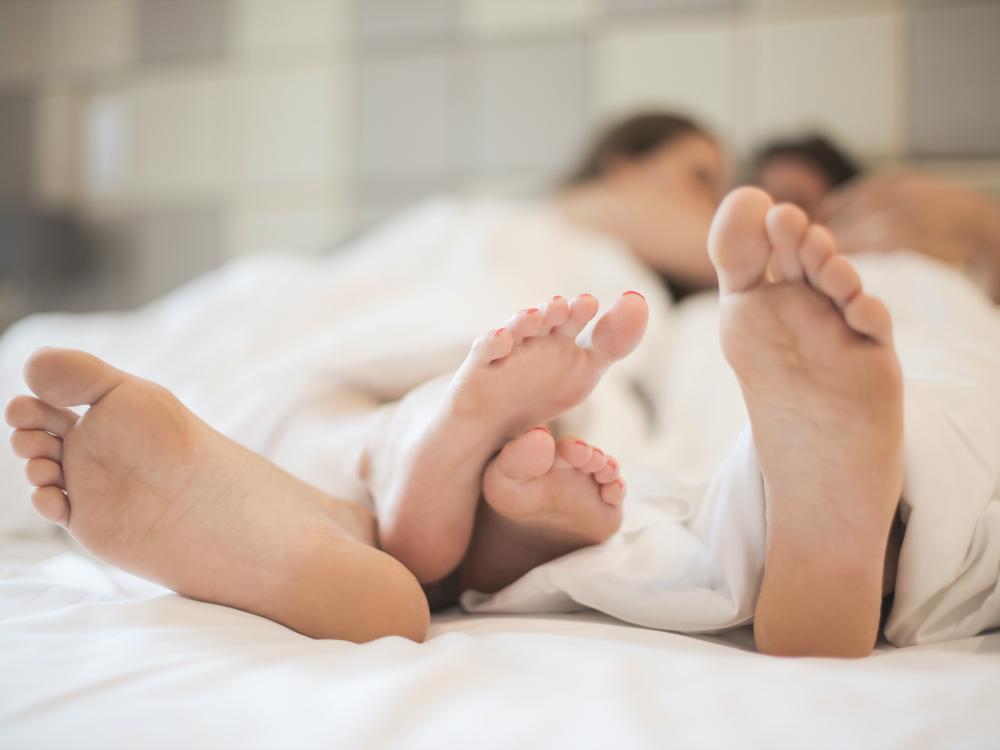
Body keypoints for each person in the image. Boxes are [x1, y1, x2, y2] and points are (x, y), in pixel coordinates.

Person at [6, 186, 910, 658]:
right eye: (698, 172)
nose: (706, 195)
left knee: (335, 414)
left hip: (353, 392)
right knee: (526, 417)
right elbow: (686, 220)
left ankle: (381, 501)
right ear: (623, 162)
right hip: (474, 303)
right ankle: (438, 468)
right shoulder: (549, 213)